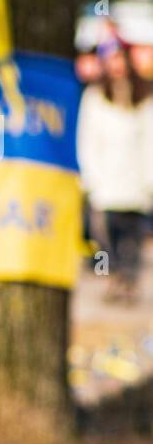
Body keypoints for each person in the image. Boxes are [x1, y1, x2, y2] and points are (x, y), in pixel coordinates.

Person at [76, 36, 153, 304]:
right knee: (106, 236)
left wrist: (148, 178)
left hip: (134, 182)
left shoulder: (143, 98)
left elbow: (148, 140)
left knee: (132, 237)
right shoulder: (95, 98)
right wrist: (90, 177)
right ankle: (115, 278)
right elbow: (87, 138)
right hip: (105, 183)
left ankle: (129, 281)